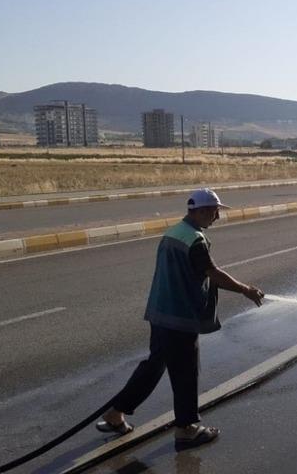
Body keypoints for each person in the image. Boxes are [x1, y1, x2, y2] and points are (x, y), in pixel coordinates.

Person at [96, 188, 265, 451]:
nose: (217, 217)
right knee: (186, 372)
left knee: (154, 365)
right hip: (179, 316)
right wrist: (246, 290)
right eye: (214, 211)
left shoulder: (173, 232)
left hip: (160, 312)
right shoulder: (195, 240)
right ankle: (186, 429)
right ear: (199, 211)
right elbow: (213, 274)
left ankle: (116, 413)